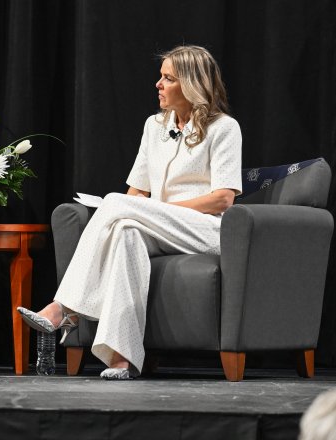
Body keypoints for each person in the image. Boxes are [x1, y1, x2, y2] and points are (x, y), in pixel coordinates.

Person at [18, 45, 242, 379]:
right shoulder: (155, 126)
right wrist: (135, 211)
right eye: (161, 76)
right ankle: (122, 359)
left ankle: (64, 309)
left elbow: (223, 199)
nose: (158, 84)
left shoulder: (224, 128)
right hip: (158, 227)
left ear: (192, 85)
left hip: (206, 230)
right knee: (125, 229)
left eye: (168, 78)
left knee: (117, 204)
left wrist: (154, 209)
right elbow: (136, 192)